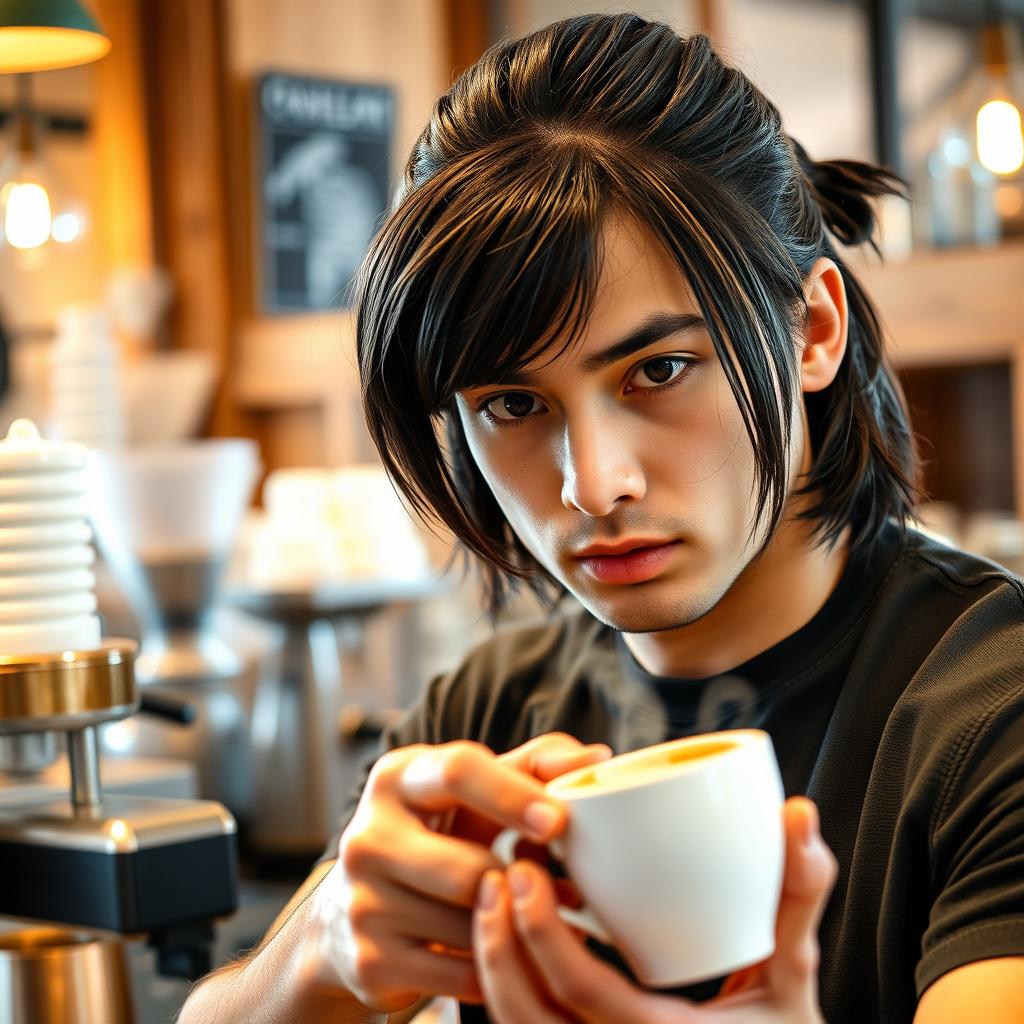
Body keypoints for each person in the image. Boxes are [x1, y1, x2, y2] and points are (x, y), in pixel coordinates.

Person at [179, 14, 1024, 1024]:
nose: (592, 483)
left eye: (657, 370)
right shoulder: (489, 720)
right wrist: (321, 951)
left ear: (813, 330)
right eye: (512, 405)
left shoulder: (988, 714)